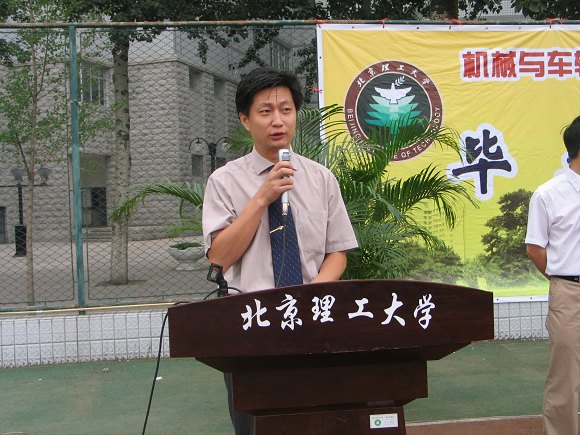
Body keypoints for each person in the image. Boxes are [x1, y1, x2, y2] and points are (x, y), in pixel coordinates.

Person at [202, 67, 358, 434]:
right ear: (245, 120)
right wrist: (261, 198)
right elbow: (219, 258)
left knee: (317, 419)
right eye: (266, 111)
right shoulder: (224, 181)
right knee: (256, 425)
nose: (278, 120)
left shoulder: (321, 178)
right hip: (251, 321)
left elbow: (337, 251)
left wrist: (312, 295)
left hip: (312, 318)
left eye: (286, 110)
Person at [525, 115, 580, 435]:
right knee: (565, 378)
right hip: (569, 294)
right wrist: (562, 280)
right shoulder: (548, 194)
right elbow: (535, 248)